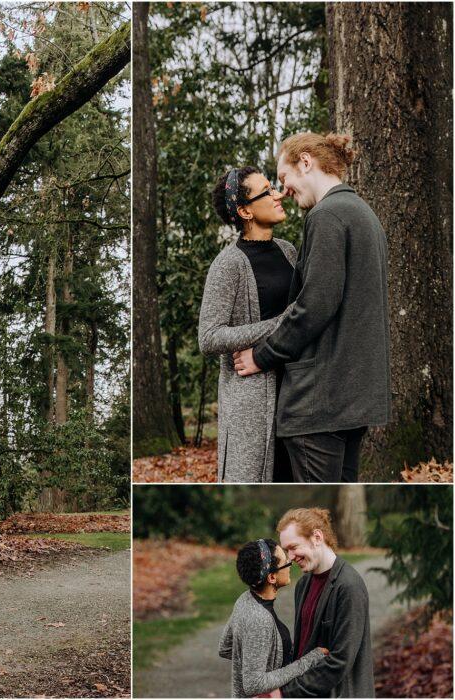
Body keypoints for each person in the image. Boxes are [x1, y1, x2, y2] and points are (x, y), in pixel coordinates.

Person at [234, 133, 391, 482]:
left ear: (306, 162)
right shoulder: (365, 215)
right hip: (355, 400)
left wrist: (261, 356)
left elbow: (314, 305)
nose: (284, 190)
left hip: (319, 402)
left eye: (284, 178)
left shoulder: (327, 216)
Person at [199, 167, 296, 482]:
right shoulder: (228, 265)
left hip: (297, 392)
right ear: (244, 211)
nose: (277, 195)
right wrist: (280, 323)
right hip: (250, 403)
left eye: (274, 187)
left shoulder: (288, 251)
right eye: (266, 192)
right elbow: (209, 338)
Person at [274, 507, 374, 697]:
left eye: (293, 547)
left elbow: (340, 661)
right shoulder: (303, 585)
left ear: (317, 537)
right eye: (287, 550)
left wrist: (286, 692)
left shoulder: (349, 586)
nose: (290, 558)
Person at [219, 538, 327, 697]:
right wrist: (308, 661)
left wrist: (256, 658)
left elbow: (225, 647)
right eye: (285, 561)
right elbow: (254, 684)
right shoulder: (259, 619)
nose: (291, 561)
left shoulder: (245, 599)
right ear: (271, 578)